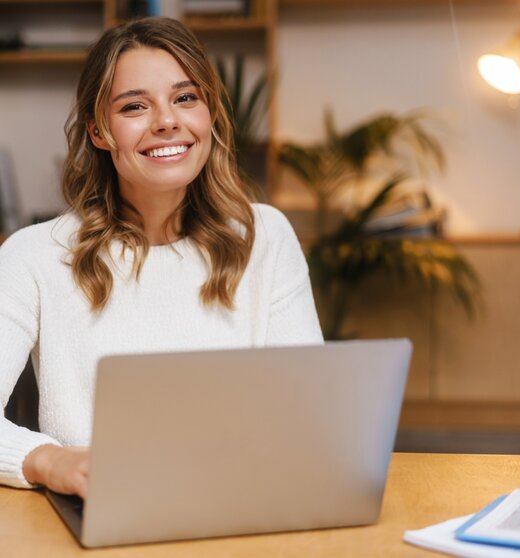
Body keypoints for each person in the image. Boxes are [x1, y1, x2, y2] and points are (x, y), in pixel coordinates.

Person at [0, 17, 323, 499]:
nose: (167, 120)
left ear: (209, 114)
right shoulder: (33, 256)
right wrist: (48, 459)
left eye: (185, 98)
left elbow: (309, 414)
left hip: (244, 508)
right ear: (99, 132)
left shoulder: (265, 237)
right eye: (134, 106)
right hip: (103, 516)